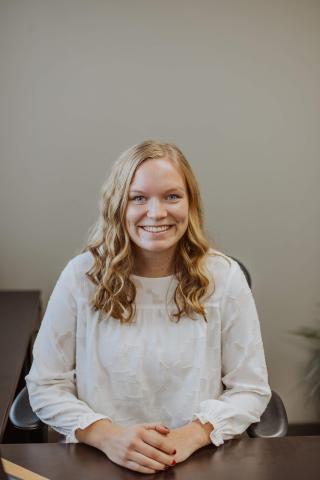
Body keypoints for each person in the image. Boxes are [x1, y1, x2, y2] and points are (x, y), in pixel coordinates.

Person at [25, 140, 271, 474]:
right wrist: (107, 436)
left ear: (191, 203)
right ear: (118, 205)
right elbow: (45, 385)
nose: (156, 213)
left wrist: (189, 436)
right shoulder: (81, 276)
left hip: (198, 458)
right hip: (99, 458)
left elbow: (250, 389)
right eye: (138, 198)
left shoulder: (223, 277)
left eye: (172, 196)